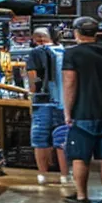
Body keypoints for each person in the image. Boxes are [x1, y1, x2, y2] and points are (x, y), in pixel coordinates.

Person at [62, 16, 102, 203]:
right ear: (96, 32)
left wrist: (67, 112)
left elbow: (70, 84)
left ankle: (82, 197)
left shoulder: (72, 54)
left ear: (76, 33)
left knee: (80, 157)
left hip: (82, 112)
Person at [24, 28, 68, 183]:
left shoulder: (36, 52)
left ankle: (42, 175)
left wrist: (31, 92)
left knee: (40, 139)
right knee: (62, 139)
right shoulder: (65, 52)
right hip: (65, 103)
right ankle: (64, 176)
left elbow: (33, 78)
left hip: (44, 101)